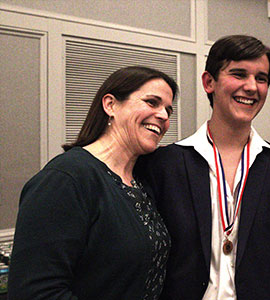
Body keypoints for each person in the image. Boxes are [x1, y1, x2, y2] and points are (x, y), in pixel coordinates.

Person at [135, 35, 270, 300]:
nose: (251, 87)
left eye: (261, 78)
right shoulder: (165, 165)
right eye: (239, 74)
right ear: (209, 82)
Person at [8, 66, 178, 300]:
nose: (164, 116)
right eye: (152, 102)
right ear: (110, 105)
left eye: (168, 110)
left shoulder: (141, 182)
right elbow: (35, 292)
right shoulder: (66, 178)